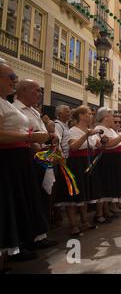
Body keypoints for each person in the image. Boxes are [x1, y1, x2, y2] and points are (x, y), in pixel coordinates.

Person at [0, 60, 53, 263]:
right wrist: (30, 138)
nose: (14, 81)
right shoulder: (10, 105)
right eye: (10, 78)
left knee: (25, 202)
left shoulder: (8, 104)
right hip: (9, 161)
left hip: (23, 159)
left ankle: (28, 239)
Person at [53, 106, 103, 235]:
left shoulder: (90, 130)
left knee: (84, 193)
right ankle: (73, 224)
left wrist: (102, 141)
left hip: (87, 163)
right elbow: (73, 147)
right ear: (81, 116)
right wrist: (86, 135)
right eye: (88, 113)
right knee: (74, 195)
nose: (91, 115)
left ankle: (84, 220)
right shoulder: (73, 130)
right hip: (75, 164)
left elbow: (97, 145)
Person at [95, 108, 121, 219]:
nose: (114, 120)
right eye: (112, 117)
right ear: (105, 117)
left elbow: (119, 143)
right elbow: (110, 143)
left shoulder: (110, 129)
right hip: (107, 160)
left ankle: (107, 209)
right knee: (105, 185)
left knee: (110, 185)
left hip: (114, 159)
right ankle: (101, 213)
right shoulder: (99, 128)